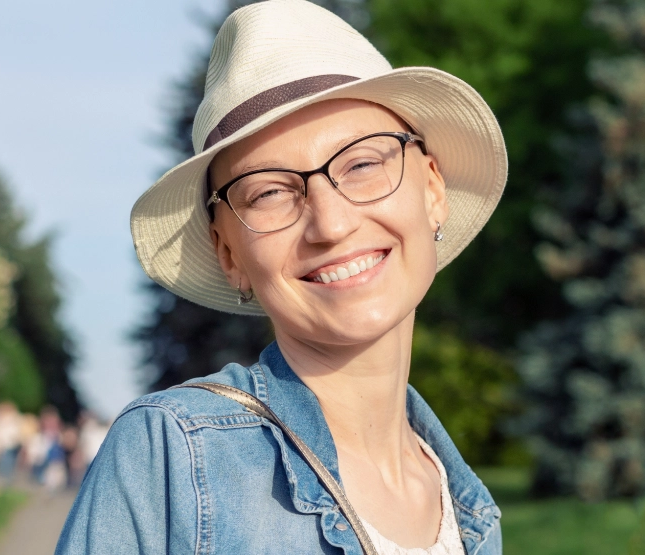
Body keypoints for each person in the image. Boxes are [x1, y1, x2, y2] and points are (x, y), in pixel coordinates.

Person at [58, 2, 505, 553]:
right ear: (230, 253)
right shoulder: (173, 455)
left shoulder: (468, 513)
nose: (332, 223)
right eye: (269, 192)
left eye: (362, 164)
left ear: (432, 189)